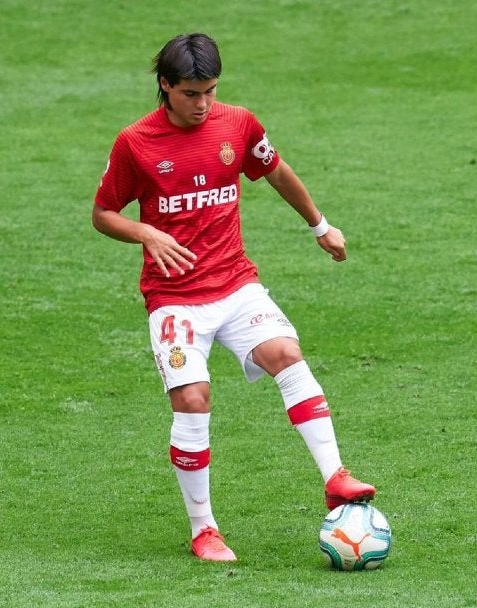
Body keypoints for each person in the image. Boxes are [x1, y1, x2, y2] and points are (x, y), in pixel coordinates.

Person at [92, 33, 375, 562]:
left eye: (210, 91)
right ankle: (204, 530)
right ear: (165, 87)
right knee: (193, 398)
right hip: (174, 301)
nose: (203, 104)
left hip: (236, 285)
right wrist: (147, 233)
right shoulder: (135, 142)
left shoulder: (237, 123)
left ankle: (335, 478)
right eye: (191, 94)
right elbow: (103, 213)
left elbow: (276, 171)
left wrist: (320, 226)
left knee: (287, 355)